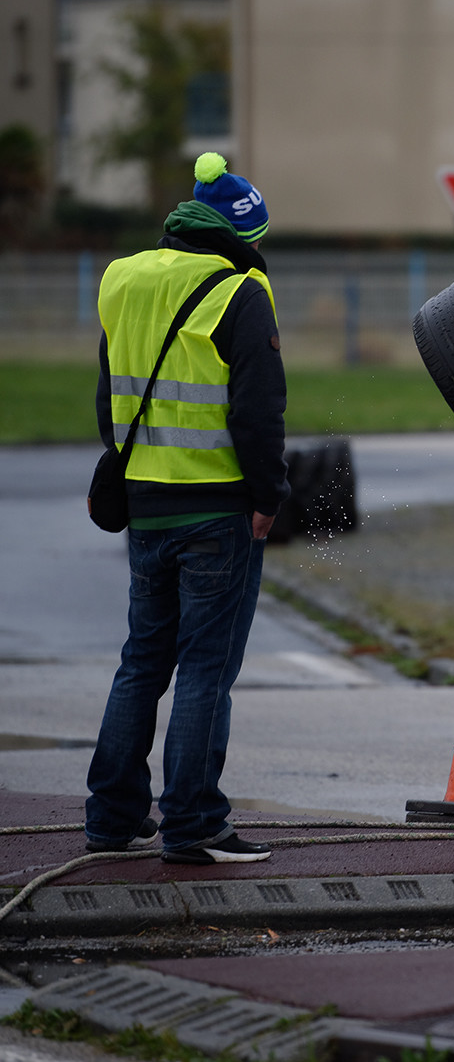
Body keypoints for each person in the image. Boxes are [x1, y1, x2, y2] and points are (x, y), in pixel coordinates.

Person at [84, 152, 287, 865]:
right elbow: (259, 412)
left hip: (147, 505)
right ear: (241, 235)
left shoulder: (121, 278)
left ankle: (112, 817)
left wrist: (141, 469)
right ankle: (194, 821)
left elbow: (111, 400)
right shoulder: (242, 290)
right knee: (206, 667)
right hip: (218, 511)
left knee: (142, 660)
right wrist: (269, 498)